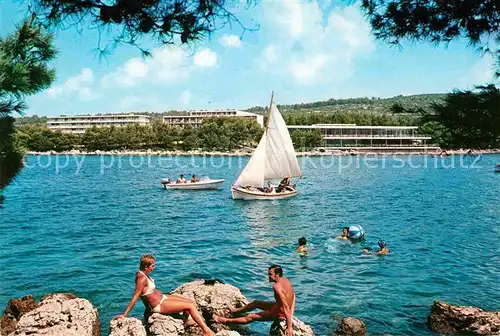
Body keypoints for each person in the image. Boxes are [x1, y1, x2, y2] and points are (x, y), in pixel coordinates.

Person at [114, 254, 214, 336]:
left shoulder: (143, 274)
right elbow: (135, 296)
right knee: (190, 306)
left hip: (162, 298)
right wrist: (125, 314)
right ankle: (206, 331)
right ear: (146, 267)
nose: (154, 268)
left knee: (190, 301)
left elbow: (149, 291)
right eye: (152, 266)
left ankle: (186, 322)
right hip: (158, 305)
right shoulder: (141, 278)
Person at [212, 265, 295, 336]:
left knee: (250, 317)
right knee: (256, 303)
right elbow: (293, 296)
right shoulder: (285, 280)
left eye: (270, 274)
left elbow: (286, 306)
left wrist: (289, 326)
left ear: (277, 275)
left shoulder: (277, 287)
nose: (268, 276)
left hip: (279, 313)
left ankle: (224, 320)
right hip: (278, 307)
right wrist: (291, 311)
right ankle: (235, 310)